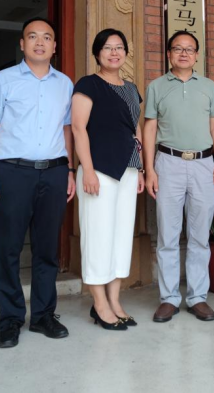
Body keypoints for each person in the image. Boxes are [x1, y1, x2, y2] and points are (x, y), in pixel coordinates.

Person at [0, 17, 76, 348]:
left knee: (47, 249)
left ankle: (43, 316)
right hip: (11, 172)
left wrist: (70, 170)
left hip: (54, 172)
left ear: (54, 46)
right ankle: (10, 320)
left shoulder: (65, 84)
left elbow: (67, 130)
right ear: (22, 44)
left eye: (46, 37)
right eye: (32, 36)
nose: (39, 42)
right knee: (8, 249)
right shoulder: (3, 80)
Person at [143, 31, 214, 323]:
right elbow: (150, 128)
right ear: (169, 54)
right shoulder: (156, 86)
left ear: (196, 55)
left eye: (189, 49)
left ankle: (197, 297)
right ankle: (168, 299)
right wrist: (150, 169)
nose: (184, 53)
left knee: (200, 235)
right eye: (178, 48)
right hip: (168, 163)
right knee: (168, 234)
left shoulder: (208, 86)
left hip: (203, 163)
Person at [71, 29, 145, 332]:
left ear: (125, 52)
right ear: (97, 53)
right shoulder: (88, 84)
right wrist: (87, 170)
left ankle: (114, 300)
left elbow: (135, 131)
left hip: (128, 170)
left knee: (121, 237)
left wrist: (140, 169)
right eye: (107, 47)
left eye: (119, 47)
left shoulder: (132, 88)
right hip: (99, 170)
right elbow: (78, 128)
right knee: (98, 236)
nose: (114, 53)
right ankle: (99, 303)